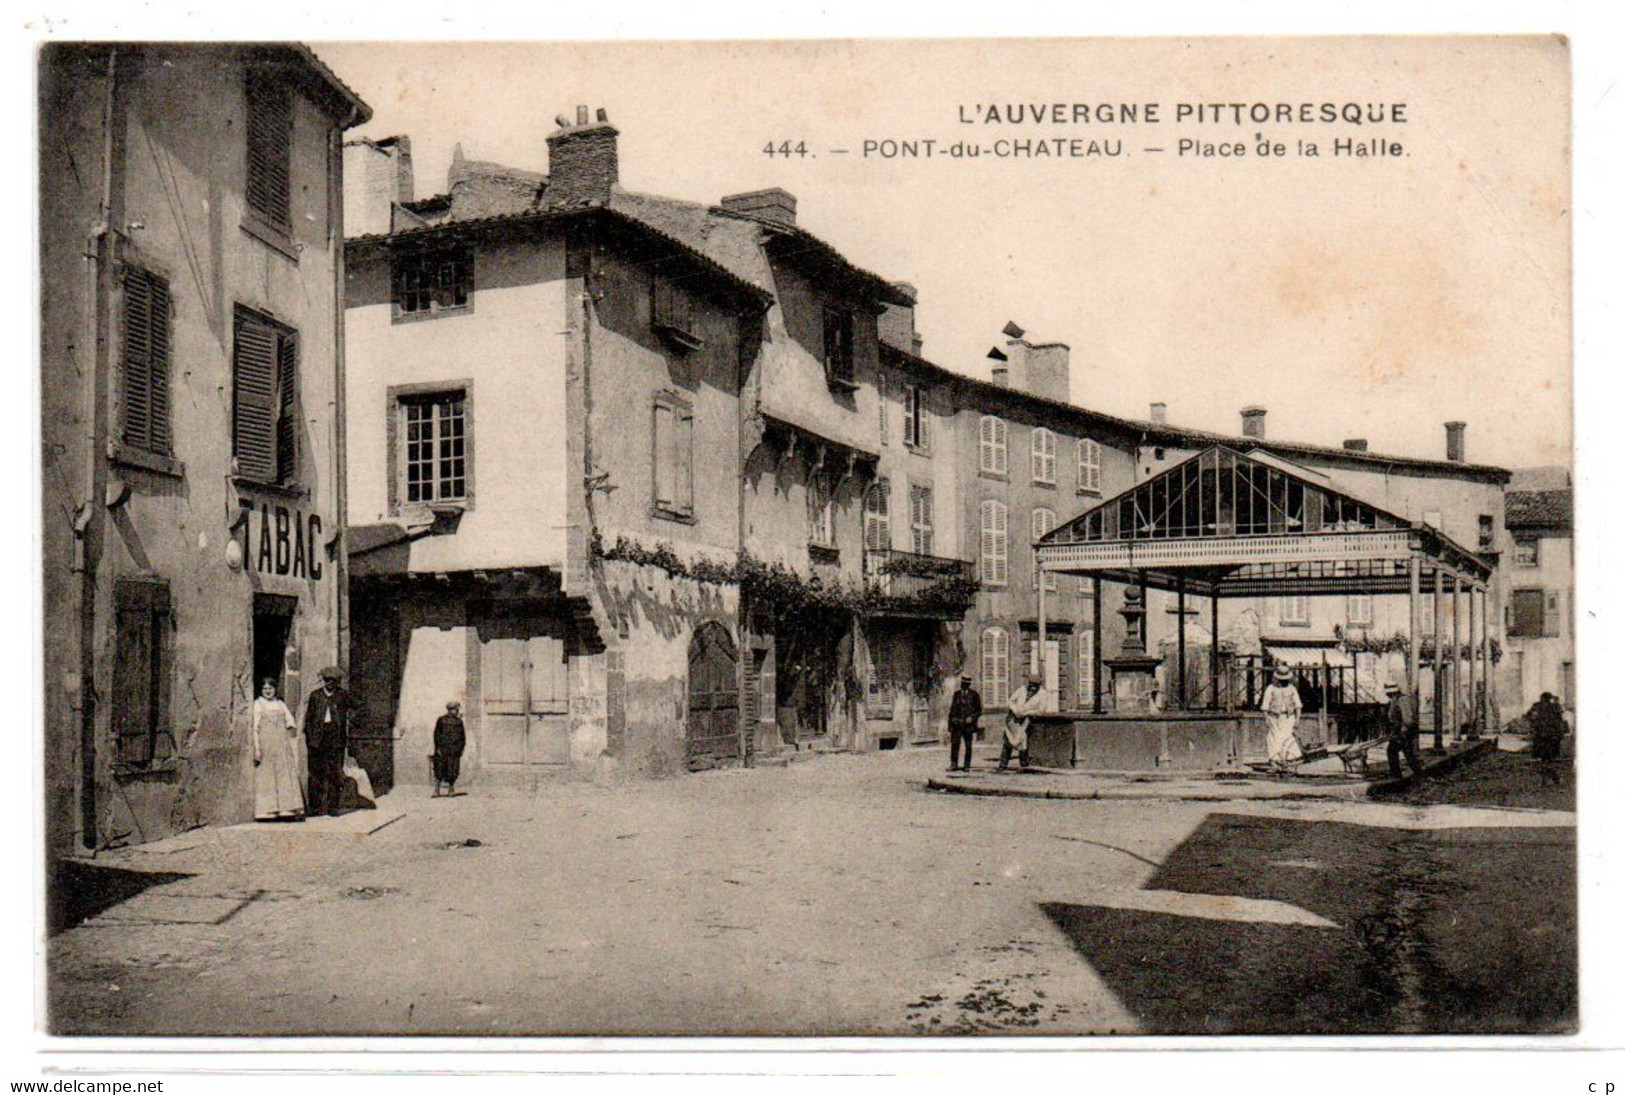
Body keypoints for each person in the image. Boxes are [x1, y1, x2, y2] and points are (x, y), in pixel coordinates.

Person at [303, 666, 358, 816]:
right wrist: (309, 738)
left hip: (336, 739)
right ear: (323, 680)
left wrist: (351, 720)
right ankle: (316, 807)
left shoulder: (342, 695)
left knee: (335, 774)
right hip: (317, 739)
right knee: (316, 774)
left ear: (337, 682)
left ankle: (333, 807)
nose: (330, 683)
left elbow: (358, 707)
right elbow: (309, 718)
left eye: (333, 681)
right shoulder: (316, 696)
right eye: (327, 680)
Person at [252, 678, 305, 821]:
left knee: (284, 774)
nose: (268, 691)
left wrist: (288, 738)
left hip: (281, 746)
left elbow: (291, 722)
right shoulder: (257, 705)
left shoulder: (280, 704)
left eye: (270, 688)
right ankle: (267, 810)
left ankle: (286, 808)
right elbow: (255, 728)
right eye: (264, 689)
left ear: (275, 689)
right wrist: (257, 748)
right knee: (267, 776)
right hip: (266, 745)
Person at [1261, 665, 1304, 774]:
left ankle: (1289, 762)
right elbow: (1265, 706)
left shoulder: (1292, 689)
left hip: (1288, 718)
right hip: (1274, 718)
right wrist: (1266, 719)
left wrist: (1297, 719)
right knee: (1274, 739)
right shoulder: (1270, 689)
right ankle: (1275, 763)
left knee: (1288, 739)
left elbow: (1298, 705)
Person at [1001, 677, 1047, 772]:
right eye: (1031, 685)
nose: (1032, 688)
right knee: (1008, 741)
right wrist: (1015, 710)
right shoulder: (1022, 689)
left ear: (1039, 686)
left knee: (1022, 741)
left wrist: (1027, 712)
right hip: (1012, 719)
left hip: (1025, 720)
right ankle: (1003, 764)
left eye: (1035, 686)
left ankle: (1024, 765)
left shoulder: (1042, 694)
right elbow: (1011, 701)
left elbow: (1040, 710)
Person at [1384, 681, 1424, 779]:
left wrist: (1402, 732)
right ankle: (1419, 774)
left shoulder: (1402, 699)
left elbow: (1407, 719)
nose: (1387, 695)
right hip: (1400, 731)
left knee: (1392, 751)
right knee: (1408, 753)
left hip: (1405, 731)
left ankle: (1396, 776)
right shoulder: (1395, 700)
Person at [1527, 692, 1568, 787]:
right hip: (1551, 737)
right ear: (1549, 699)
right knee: (1549, 759)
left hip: (1541, 737)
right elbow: (1560, 720)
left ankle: (1547, 779)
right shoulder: (1555, 707)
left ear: (1542, 698)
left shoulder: (1537, 706)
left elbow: (1528, 716)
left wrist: (1534, 724)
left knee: (1544, 759)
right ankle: (1552, 778)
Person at [947, 676, 982, 773]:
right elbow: (952, 710)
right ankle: (954, 764)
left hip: (968, 726)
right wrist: (950, 725)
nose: (964, 686)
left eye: (966, 684)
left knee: (968, 746)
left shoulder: (974, 695)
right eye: (962, 684)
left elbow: (979, 711)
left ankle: (967, 765)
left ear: (969, 685)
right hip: (957, 724)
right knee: (954, 745)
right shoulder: (956, 695)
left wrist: (972, 718)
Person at [433, 700, 468, 797]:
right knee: (439, 770)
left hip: (454, 750)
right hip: (443, 749)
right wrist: (437, 748)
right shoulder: (441, 720)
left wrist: (460, 749)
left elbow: (462, 737)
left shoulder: (459, 722)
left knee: (453, 770)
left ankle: (451, 789)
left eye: (457, 709)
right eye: (455, 710)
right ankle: (436, 790)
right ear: (450, 710)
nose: (457, 711)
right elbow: (436, 735)